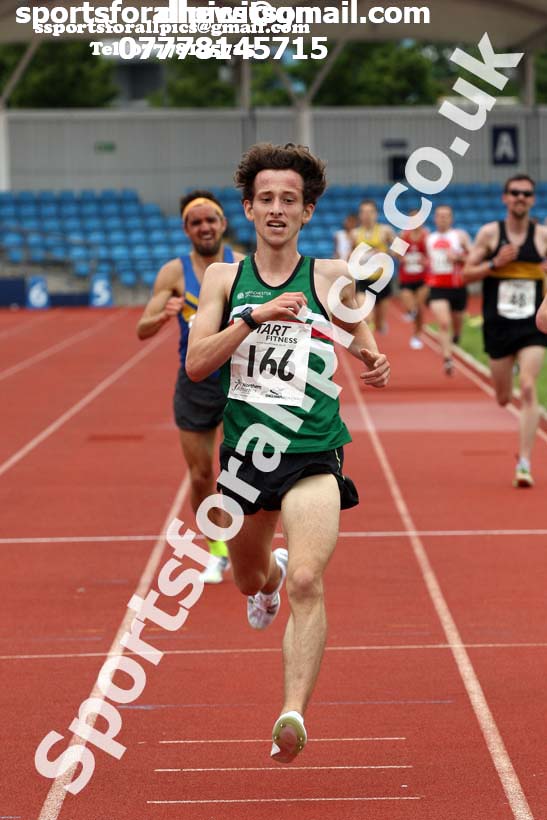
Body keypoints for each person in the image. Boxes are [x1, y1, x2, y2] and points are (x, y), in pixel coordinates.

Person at [186, 143, 390, 763]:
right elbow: (197, 365)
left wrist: (370, 355)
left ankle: (292, 711)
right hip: (248, 458)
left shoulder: (328, 275)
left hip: (313, 449)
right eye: (266, 199)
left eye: (290, 200)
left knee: (309, 578)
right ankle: (262, 583)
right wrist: (255, 316)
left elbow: (358, 323)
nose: (277, 209)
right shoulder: (223, 279)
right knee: (254, 575)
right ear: (247, 209)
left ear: (306, 212)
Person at [136, 190, 244, 582]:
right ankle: (217, 550)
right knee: (201, 475)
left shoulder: (242, 266)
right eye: (195, 222)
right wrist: (162, 316)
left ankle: (255, 543)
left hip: (240, 379)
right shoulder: (174, 273)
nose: (204, 228)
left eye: (210, 220)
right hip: (195, 380)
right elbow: (141, 329)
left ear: (223, 224)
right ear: (186, 229)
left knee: (250, 470)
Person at [464, 174, 547, 488]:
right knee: (502, 397)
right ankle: (509, 367)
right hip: (498, 326)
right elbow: (465, 276)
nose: (520, 198)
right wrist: (494, 263)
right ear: (505, 198)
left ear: (533, 199)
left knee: (527, 387)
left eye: (526, 193)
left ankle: (524, 461)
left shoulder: (542, 237)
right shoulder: (489, 234)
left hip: (533, 326)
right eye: (515, 193)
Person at [426, 205, 472, 375]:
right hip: (437, 286)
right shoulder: (429, 238)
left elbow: (474, 256)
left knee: (457, 321)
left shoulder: (460, 236)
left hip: (458, 286)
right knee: (444, 323)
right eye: (439, 216)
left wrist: (459, 258)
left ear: (451, 218)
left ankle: (457, 336)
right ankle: (447, 359)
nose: (443, 218)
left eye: (446, 216)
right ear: (435, 218)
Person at [351, 200, 396, 334]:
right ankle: (369, 350)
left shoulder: (385, 230)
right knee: (365, 318)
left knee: (379, 324)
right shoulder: (354, 234)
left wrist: (385, 253)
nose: (367, 215)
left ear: (376, 214)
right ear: (360, 215)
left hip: (382, 281)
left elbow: (400, 249)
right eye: (364, 212)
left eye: (370, 212)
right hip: (364, 281)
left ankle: (380, 325)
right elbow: (350, 256)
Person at [397, 216, 429, 349]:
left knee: (419, 307)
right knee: (411, 308)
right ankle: (410, 313)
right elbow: (395, 253)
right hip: (406, 278)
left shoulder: (427, 236)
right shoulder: (403, 235)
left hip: (423, 278)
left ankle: (417, 335)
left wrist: (425, 260)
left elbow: (432, 254)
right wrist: (403, 257)